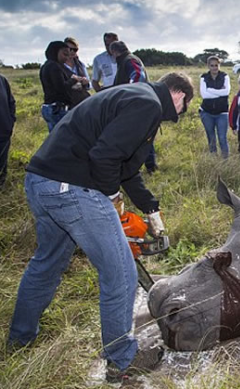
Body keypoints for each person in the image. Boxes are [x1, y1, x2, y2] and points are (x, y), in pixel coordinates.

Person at [7, 72, 194, 384]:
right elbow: (104, 156)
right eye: (184, 106)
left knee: (47, 264)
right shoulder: (148, 104)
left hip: (42, 182)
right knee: (121, 273)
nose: (180, 114)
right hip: (72, 188)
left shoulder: (134, 95)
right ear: (178, 95)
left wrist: (149, 207)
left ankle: (20, 338)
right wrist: (112, 199)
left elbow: (124, 166)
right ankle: (123, 359)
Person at [110, 41, 157, 173]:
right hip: (136, 105)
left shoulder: (129, 60)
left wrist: (130, 95)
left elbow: (137, 75)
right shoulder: (126, 60)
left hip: (135, 107)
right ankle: (147, 166)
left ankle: (148, 166)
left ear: (114, 52)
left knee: (140, 137)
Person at [39, 41, 78, 132]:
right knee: (62, 138)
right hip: (57, 108)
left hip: (49, 106)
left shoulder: (46, 65)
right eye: (65, 54)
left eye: (68, 55)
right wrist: (74, 80)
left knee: (54, 137)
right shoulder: (54, 67)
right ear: (55, 52)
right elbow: (62, 88)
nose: (67, 58)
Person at [199, 55, 231, 158]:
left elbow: (226, 92)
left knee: (222, 138)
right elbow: (204, 95)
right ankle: (213, 159)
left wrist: (210, 91)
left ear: (219, 65)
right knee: (211, 138)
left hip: (222, 113)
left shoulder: (225, 76)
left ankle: (225, 161)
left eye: (216, 65)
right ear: (208, 66)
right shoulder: (204, 77)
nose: (214, 68)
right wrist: (219, 92)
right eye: (212, 65)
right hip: (207, 112)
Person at [63, 37, 91, 107]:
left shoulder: (81, 65)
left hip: (82, 101)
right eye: (70, 49)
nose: (72, 51)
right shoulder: (59, 66)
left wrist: (86, 82)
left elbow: (89, 85)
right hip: (66, 103)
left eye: (75, 50)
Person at [0, 73, 16, 188]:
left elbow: (11, 102)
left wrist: (11, 120)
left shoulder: (2, 80)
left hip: (3, 128)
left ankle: (1, 184)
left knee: (2, 160)